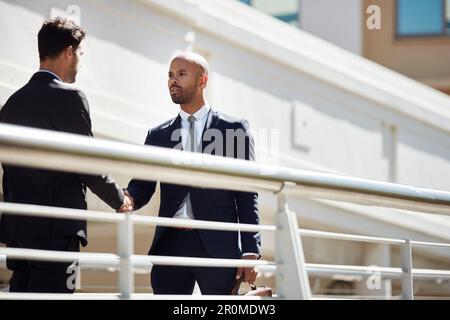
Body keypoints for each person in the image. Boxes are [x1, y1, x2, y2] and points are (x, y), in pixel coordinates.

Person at [0, 17, 133, 293]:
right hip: (57, 233)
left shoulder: (11, 105)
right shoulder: (70, 98)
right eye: (80, 54)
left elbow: (9, 172)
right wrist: (119, 199)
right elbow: (86, 162)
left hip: (18, 233)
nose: (80, 63)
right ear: (69, 52)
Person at [123, 52, 261, 295]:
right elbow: (142, 187)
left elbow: (246, 192)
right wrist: (123, 198)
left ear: (202, 81)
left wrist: (251, 248)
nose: (173, 80)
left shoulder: (233, 129)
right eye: (170, 75)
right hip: (170, 245)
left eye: (181, 74)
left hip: (218, 245)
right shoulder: (158, 135)